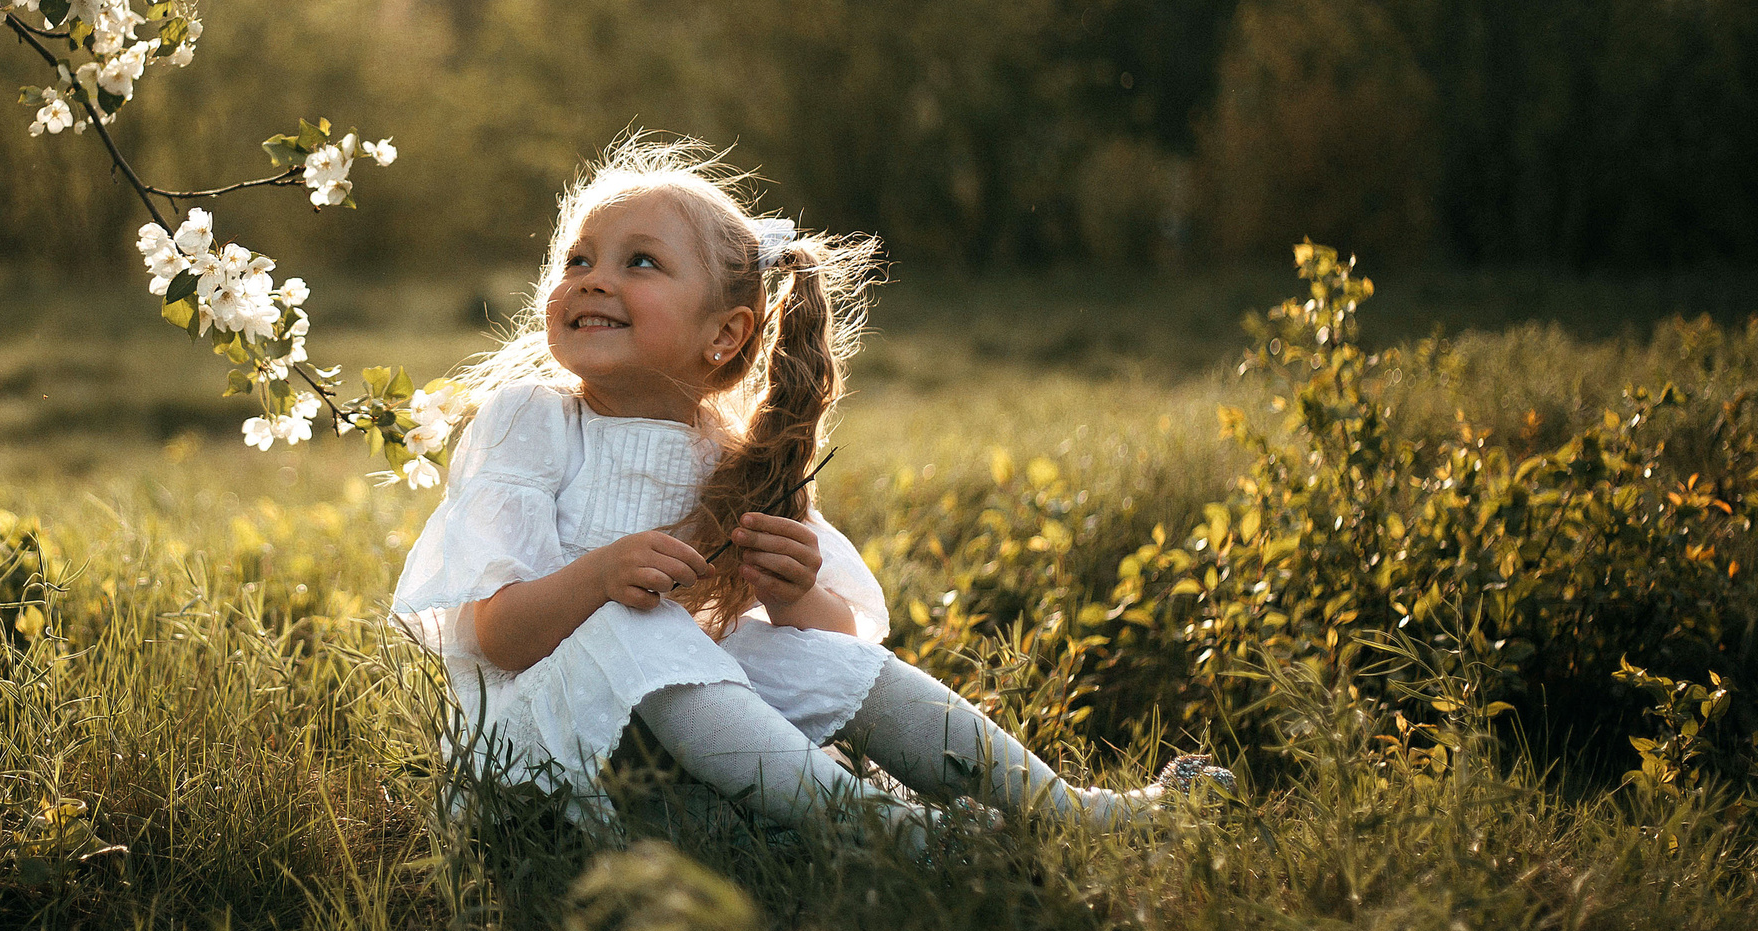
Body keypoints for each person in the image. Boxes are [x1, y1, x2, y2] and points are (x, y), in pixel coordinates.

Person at [390, 137, 1230, 838]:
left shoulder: (738, 455)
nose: (591, 278)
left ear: (726, 334)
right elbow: (493, 638)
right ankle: (886, 833)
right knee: (633, 626)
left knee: (801, 650)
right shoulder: (531, 422)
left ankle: (1070, 812)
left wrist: (793, 595)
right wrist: (600, 577)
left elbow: (835, 642)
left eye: (637, 262)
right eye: (577, 259)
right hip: (545, 743)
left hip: (693, 747)